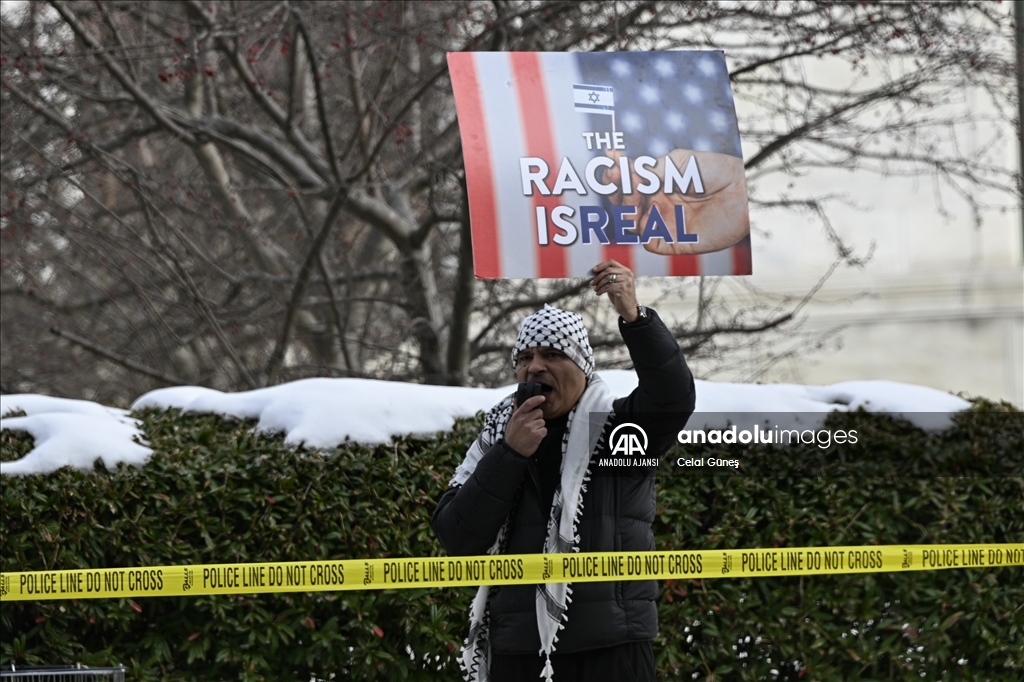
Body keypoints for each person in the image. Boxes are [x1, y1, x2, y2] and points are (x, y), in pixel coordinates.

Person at [432, 260, 696, 682]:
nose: (535, 367)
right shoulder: (499, 436)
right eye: (526, 358)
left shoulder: (616, 430)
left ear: (582, 369)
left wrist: (634, 317)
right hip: (517, 651)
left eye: (553, 355)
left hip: (610, 652)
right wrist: (510, 455)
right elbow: (457, 535)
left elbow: (672, 399)